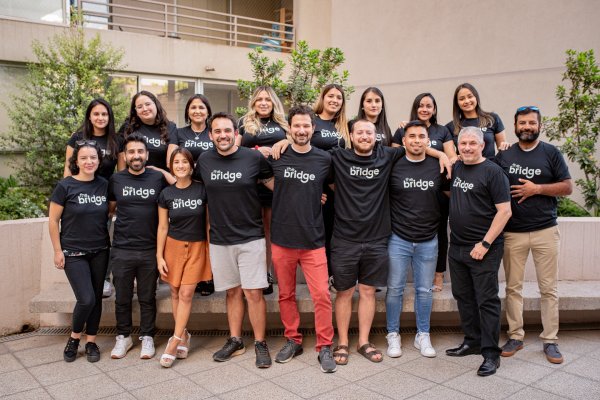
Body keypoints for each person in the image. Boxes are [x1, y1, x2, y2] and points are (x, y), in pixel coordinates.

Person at [328, 119, 450, 365]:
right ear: (351, 136)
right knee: (344, 293)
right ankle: (342, 342)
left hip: (376, 237)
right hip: (344, 237)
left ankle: (363, 341)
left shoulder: (388, 155)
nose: (364, 136)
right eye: (359, 132)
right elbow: (327, 180)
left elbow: (416, 145)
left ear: (377, 136)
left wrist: (441, 154)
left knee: (368, 291)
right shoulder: (337, 157)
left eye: (369, 132)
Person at [194, 112, 274, 368]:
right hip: (219, 238)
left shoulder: (253, 158)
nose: (223, 135)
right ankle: (235, 339)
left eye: (227, 130)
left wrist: (308, 195)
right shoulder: (204, 161)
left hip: (251, 237)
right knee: (232, 292)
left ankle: (260, 343)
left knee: (253, 293)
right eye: (217, 131)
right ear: (210, 136)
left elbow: (276, 185)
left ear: (236, 133)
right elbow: (193, 190)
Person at [495, 106, 572, 364]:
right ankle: (515, 336)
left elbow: (567, 187)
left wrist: (537, 188)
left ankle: (550, 341)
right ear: (515, 126)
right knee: (513, 288)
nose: (526, 126)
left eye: (531, 122)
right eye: (522, 123)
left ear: (539, 126)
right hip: (513, 233)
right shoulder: (505, 154)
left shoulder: (551, 152)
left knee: (548, 288)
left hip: (545, 231)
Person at [266, 105, 336, 373]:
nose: (302, 130)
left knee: (321, 295)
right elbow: (262, 177)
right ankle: (292, 340)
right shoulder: (276, 156)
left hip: (313, 240)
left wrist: (314, 194)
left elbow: (329, 187)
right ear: (290, 129)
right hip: (282, 239)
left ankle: (325, 346)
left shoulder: (324, 159)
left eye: (306, 126)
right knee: (286, 294)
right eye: (297, 126)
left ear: (313, 129)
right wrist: (289, 189)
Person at [445, 126, 511, 377]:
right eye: (463, 144)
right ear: (458, 146)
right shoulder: (458, 167)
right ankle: (472, 341)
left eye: (473, 143)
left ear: (483, 145)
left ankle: (491, 353)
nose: (468, 148)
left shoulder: (493, 172)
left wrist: (484, 244)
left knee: (487, 300)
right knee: (463, 296)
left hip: (484, 247)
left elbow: (505, 211)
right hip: (458, 246)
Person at [386, 120, 450, 359]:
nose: (416, 141)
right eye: (411, 136)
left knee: (424, 290)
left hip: (428, 239)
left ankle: (422, 334)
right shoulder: (394, 163)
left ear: (427, 140)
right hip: (398, 238)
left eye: (421, 136)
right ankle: (393, 334)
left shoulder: (438, 166)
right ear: (403, 141)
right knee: (394, 289)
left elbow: (451, 194)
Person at [108, 133, 168, 360]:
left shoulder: (156, 179)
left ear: (147, 155)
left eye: (140, 152)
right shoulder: (116, 180)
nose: (136, 156)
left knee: (147, 296)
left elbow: (178, 184)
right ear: (125, 155)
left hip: (150, 248)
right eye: (131, 152)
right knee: (122, 296)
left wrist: (162, 171)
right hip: (122, 247)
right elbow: (111, 208)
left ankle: (147, 337)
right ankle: (123, 336)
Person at [49, 141, 109, 363]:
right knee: (86, 298)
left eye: (93, 157)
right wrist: (58, 251)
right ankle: (74, 337)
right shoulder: (65, 186)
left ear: (99, 160)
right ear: (76, 161)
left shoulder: (104, 185)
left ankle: (91, 341)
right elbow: (53, 221)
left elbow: (110, 211)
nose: (89, 161)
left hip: (101, 250)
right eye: (83, 158)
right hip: (73, 252)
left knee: (97, 299)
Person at [393, 93, 458, 291]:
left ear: (434, 109)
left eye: (429, 106)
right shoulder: (403, 129)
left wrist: (443, 156)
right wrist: (436, 152)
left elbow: (452, 157)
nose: (424, 109)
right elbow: (396, 155)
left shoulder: (443, 130)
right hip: (411, 188)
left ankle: (438, 275)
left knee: (440, 233)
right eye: (420, 105)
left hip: (437, 189)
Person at [63, 98, 124, 298]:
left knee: (104, 237)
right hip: (79, 197)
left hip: (104, 198)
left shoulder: (116, 140)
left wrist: (115, 200)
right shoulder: (77, 137)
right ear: (89, 116)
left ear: (110, 117)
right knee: (82, 239)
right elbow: (68, 169)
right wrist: (68, 197)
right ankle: (83, 280)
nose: (100, 118)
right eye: (96, 114)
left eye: (104, 114)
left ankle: (104, 280)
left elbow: (121, 173)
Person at [156, 148, 210, 367]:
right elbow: (162, 227)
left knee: (187, 293)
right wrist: (159, 256)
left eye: (184, 162)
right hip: (173, 248)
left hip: (197, 247)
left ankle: (174, 340)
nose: (180, 166)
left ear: (191, 165)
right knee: (175, 292)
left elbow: (208, 224)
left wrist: (210, 252)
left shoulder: (202, 190)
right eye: (176, 162)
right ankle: (184, 334)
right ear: (171, 166)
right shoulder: (166, 194)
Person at [239, 86, 290, 295]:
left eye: (267, 100)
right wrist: (257, 151)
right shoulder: (244, 123)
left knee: (268, 231)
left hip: (274, 183)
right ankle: (251, 275)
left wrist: (286, 140)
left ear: (273, 102)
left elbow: (296, 143)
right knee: (252, 231)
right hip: (250, 183)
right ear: (253, 102)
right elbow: (236, 150)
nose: (263, 103)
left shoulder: (283, 123)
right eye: (259, 99)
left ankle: (266, 274)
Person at [168, 94, 214, 296]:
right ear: (187, 111)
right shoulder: (179, 133)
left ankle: (207, 277)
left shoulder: (213, 133)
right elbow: (171, 161)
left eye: (202, 107)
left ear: (207, 112)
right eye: (193, 107)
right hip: (186, 189)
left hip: (210, 189)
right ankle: (188, 277)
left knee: (208, 230)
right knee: (191, 232)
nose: (197, 111)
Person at [446, 83, 510, 158]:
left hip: (490, 167)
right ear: (457, 103)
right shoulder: (451, 126)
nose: (466, 101)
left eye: (470, 96)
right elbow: (451, 157)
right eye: (462, 99)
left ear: (476, 97)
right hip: (465, 168)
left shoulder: (492, 119)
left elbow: (502, 149)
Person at [122, 90, 177, 172]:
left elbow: (171, 163)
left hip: (161, 179)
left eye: (148, 104)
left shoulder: (170, 127)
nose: (145, 109)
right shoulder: (128, 127)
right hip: (133, 180)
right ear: (135, 111)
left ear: (156, 105)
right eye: (139, 107)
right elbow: (121, 156)